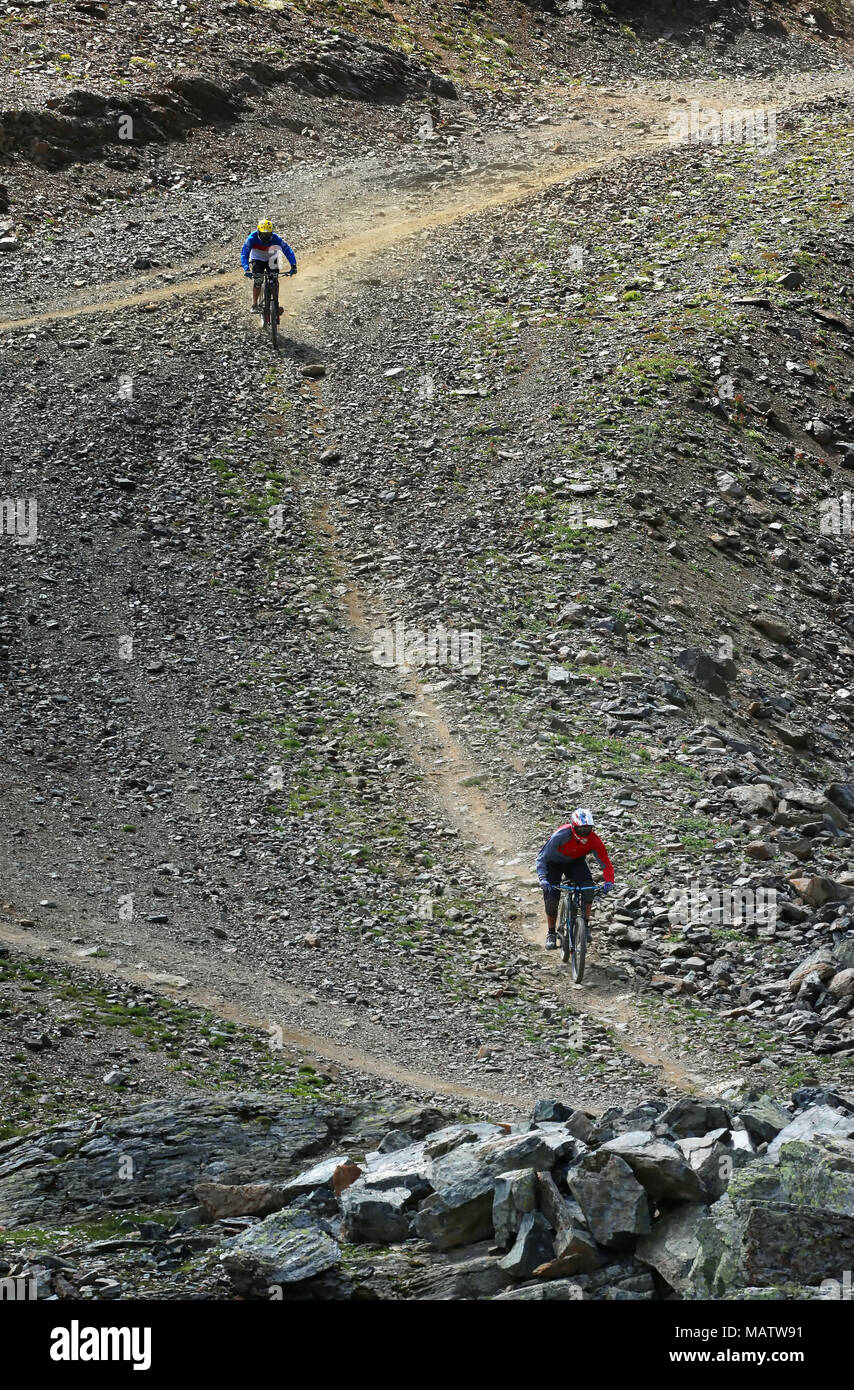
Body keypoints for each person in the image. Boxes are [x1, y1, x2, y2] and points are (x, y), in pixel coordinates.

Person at [536, 807, 614, 951]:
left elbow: (605, 863)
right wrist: (542, 878)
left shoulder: (594, 840)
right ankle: (551, 933)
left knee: (588, 889)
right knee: (551, 898)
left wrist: (609, 881)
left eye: (588, 829)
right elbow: (542, 858)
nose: (585, 833)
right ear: (573, 827)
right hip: (554, 864)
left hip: (575, 862)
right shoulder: (561, 835)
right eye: (581, 829)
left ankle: (585, 925)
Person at [240, 218, 297, 316]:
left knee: (274, 280)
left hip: (272, 257)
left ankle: (276, 304)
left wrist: (293, 265)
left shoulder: (276, 238)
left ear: (271, 233)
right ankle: (254, 305)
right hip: (257, 258)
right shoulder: (251, 238)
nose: (265, 237)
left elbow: (287, 250)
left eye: (268, 234)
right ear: (258, 232)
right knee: (258, 281)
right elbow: (244, 253)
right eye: (263, 234)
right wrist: (246, 268)